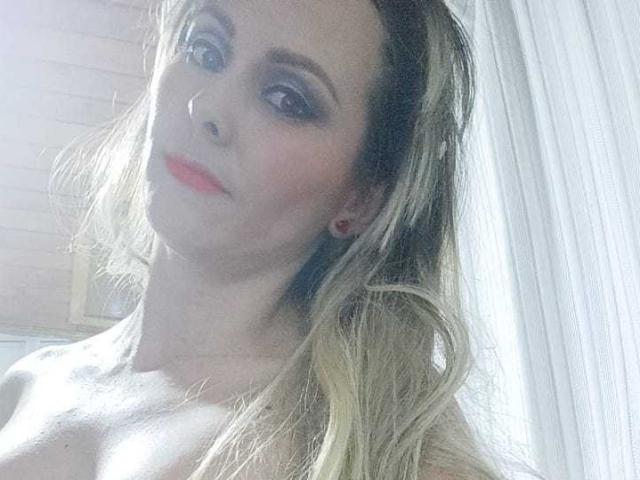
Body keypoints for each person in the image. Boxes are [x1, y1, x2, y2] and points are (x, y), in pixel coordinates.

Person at [0, 0, 524, 478]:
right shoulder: (25, 386)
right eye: (205, 49)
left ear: (360, 199)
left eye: (286, 98)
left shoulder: (387, 450)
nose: (207, 106)